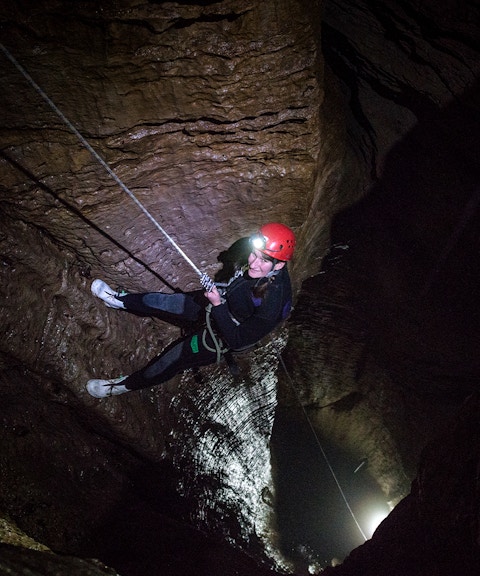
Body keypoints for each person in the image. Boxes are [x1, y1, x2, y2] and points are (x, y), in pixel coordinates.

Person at [86, 222, 296, 398]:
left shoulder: (273, 304)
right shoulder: (261, 266)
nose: (253, 262)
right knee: (163, 301)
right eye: (254, 254)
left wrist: (217, 305)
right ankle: (117, 300)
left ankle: (121, 386)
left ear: (278, 266)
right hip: (220, 302)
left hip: (223, 335)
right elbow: (242, 280)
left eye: (263, 260)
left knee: (170, 360)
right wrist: (220, 296)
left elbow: (237, 340)